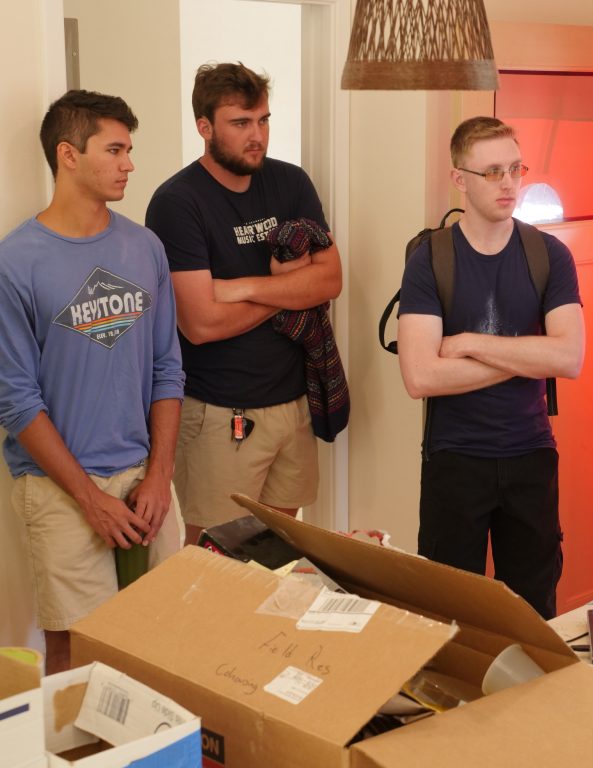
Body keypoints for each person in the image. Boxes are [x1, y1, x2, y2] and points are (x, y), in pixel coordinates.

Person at [0, 90, 185, 673]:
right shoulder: (17, 261)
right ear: (68, 155)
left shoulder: (143, 246)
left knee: (169, 637)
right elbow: (16, 399)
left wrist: (159, 475)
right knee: (77, 649)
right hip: (60, 491)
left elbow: (166, 367)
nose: (129, 163)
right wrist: (91, 500)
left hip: (143, 477)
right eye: (115, 149)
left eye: (129, 149)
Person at [146, 63, 342, 546]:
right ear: (205, 127)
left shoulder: (291, 182)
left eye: (264, 120)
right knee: (214, 559)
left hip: (293, 403)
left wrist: (238, 287)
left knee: (275, 549)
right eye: (241, 123)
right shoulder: (177, 202)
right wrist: (288, 291)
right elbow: (201, 323)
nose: (257, 136)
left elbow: (331, 279)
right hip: (219, 412)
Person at [397, 116, 585, 619]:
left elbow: (569, 358)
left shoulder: (550, 256)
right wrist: (528, 356)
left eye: (515, 169)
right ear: (460, 178)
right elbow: (421, 377)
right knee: (445, 614)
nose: (508, 183)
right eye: (492, 172)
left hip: (531, 456)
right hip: (454, 459)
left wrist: (468, 344)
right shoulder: (429, 259)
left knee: (530, 614)